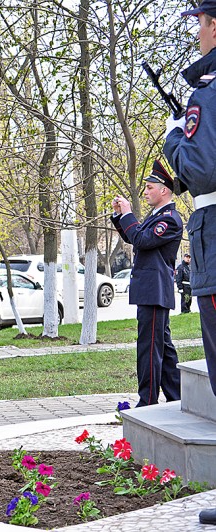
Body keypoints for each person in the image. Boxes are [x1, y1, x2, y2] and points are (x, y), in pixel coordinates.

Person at [163, 3, 216, 524]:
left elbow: (200, 170)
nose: (197, 32)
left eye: (201, 22)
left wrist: (175, 134)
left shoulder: (209, 92)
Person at [110, 160, 183, 408]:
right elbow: (137, 236)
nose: (146, 191)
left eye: (150, 187)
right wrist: (122, 217)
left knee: (149, 349)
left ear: (164, 190)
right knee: (164, 347)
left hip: (154, 291)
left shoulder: (170, 219)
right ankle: (178, 398)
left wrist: (129, 213)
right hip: (151, 291)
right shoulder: (158, 216)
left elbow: (141, 239)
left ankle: (147, 403)